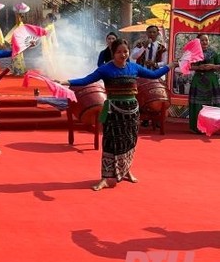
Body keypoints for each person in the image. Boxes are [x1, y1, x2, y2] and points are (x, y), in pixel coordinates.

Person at [62, 38, 177, 191]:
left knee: (129, 141)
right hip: (114, 111)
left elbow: (154, 74)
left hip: (132, 111)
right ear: (113, 53)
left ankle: (126, 170)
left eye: (125, 51)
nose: (123, 55)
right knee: (110, 143)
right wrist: (66, 81)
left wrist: (170, 66)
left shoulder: (134, 67)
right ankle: (105, 177)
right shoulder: (105, 69)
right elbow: (86, 80)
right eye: (119, 52)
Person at [188, 33, 220, 134]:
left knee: (212, 104)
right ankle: (197, 127)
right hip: (198, 81)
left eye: (206, 40)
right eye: (202, 40)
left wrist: (213, 66)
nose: (205, 42)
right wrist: (198, 68)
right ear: (198, 42)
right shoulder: (193, 53)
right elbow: (187, 66)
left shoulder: (214, 53)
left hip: (211, 81)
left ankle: (213, 127)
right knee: (197, 104)